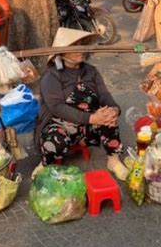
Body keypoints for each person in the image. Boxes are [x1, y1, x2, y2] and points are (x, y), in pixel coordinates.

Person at [33, 28, 129, 181]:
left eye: (83, 44)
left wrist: (114, 110)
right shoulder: (52, 75)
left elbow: (104, 95)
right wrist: (91, 118)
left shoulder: (91, 71)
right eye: (75, 46)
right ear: (62, 52)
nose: (82, 49)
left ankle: (113, 160)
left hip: (89, 125)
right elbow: (57, 107)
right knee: (54, 142)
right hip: (60, 124)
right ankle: (46, 163)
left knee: (109, 118)